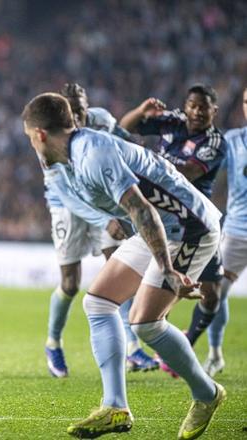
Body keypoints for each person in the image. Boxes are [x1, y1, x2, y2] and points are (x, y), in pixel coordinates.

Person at [22, 93, 226, 439]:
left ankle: (207, 394)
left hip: (189, 227)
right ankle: (115, 407)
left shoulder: (93, 154)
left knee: (145, 323)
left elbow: (141, 209)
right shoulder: (66, 158)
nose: (31, 144)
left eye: (30, 137)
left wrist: (168, 270)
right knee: (98, 302)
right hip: (159, 227)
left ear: (40, 134)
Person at [43, 83, 158, 379]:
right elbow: (68, 196)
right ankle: (53, 343)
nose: (76, 116)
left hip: (101, 198)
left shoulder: (101, 120)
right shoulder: (48, 135)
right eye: (70, 110)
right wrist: (104, 221)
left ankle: (132, 348)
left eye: (80, 109)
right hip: (67, 205)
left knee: (119, 269)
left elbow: (123, 138)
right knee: (70, 283)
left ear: (87, 107)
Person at [120, 85, 227, 377]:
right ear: (186, 105)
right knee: (151, 287)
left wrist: (151, 167)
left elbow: (187, 174)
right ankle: (164, 340)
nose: (197, 112)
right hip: (163, 216)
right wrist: (141, 111)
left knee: (211, 294)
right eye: (192, 105)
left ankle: (185, 337)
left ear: (214, 111)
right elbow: (125, 128)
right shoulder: (172, 121)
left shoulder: (215, 142)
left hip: (196, 220)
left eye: (203, 107)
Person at [203, 86, 247, 376]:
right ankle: (215, 353)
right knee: (216, 293)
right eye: (246, 101)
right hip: (238, 229)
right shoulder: (233, 140)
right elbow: (210, 172)